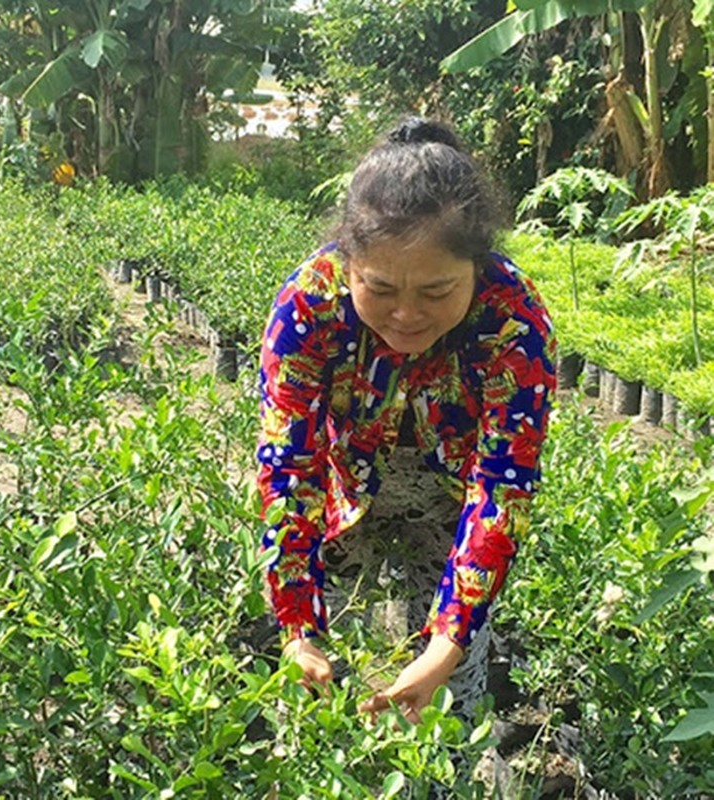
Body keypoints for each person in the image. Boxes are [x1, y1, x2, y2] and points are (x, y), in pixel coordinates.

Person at [256, 116, 556, 725]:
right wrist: (296, 627)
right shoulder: (308, 306)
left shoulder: (513, 318)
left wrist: (447, 644)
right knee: (326, 682)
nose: (405, 314)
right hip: (342, 495)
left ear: (476, 267)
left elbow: (501, 486)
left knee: (449, 701)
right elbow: (290, 467)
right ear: (348, 262)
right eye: (380, 287)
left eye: (437, 291)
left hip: (455, 507)